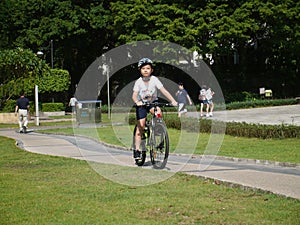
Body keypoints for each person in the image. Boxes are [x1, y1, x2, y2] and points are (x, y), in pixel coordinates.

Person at [132, 58, 178, 159]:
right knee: (141, 126)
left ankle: (158, 129)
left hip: (153, 103)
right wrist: (137, 102)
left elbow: (164, 91)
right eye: (143, 68)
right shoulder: (138, 82)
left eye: (148, 68)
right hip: (142, 105)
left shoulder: (154, 80)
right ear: (140, 70)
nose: (145, 70)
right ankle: (137, 149)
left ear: (151, 70)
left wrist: (173, 100)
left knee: (158, 111)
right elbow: (134, 95)